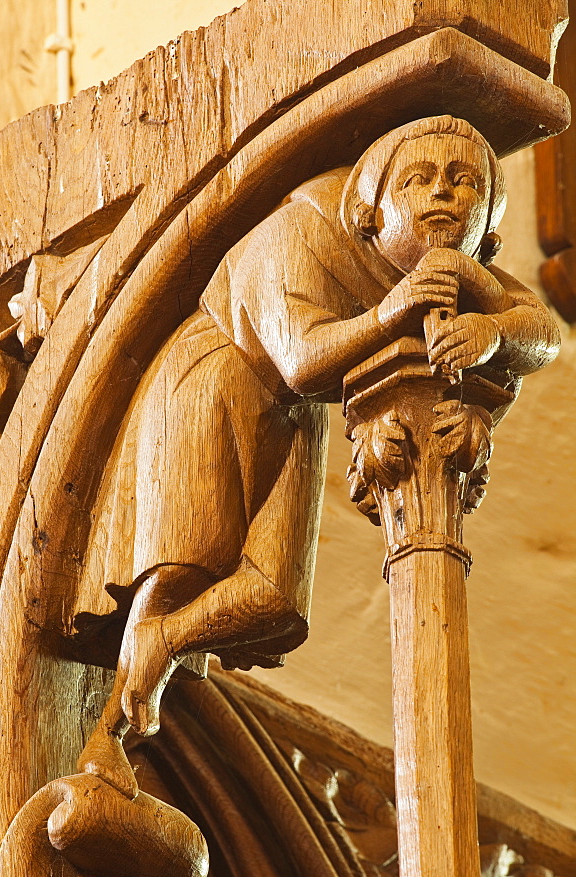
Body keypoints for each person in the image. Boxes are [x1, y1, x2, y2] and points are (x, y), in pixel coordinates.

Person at [78, 115, 559, 788]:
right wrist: (395, 312)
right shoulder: (302, 228)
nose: (444, 195)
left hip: (289, 411)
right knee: (190, 561)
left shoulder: (454, 270)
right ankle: (109, 733)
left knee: (273, 599)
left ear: (488, 227)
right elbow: (304, 359)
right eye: (419, 179)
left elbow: (541, 330)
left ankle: (162, 644)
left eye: (465, 182)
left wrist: (492, 332)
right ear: (370, 206)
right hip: (219, 369)